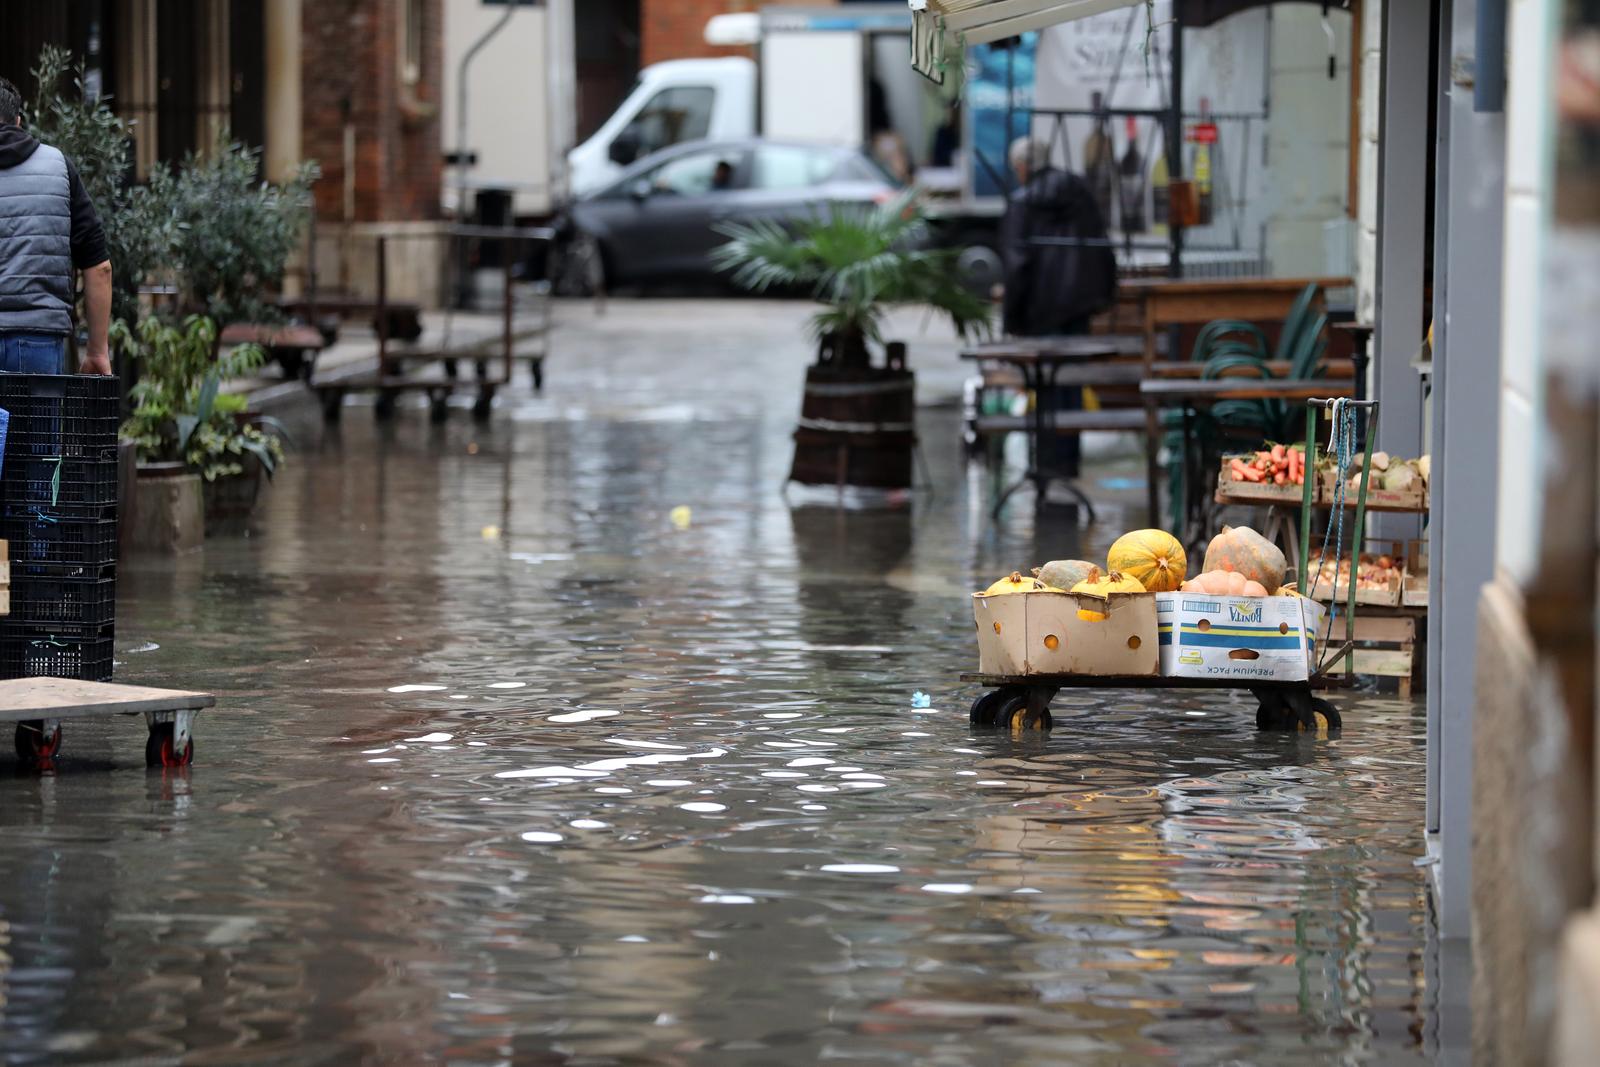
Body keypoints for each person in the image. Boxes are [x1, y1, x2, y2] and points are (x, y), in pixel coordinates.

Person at [999, 135, 1117, 481]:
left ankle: (1047, 464)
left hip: (1039, 313)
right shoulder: (1079, 194)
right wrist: (1101, 297)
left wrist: (1012, 319)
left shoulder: (1023, 202)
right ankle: (1068, 462)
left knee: (1045, 387)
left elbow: (1017, 266)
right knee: (1071, 385)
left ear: (1022, 167)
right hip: (1077, 309)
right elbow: (1102, 248)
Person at [0, 76, 113, 376]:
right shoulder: (58, 167)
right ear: (18, 121)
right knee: (35, 409)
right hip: (38, 340)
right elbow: (99, 267)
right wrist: (97, 351)